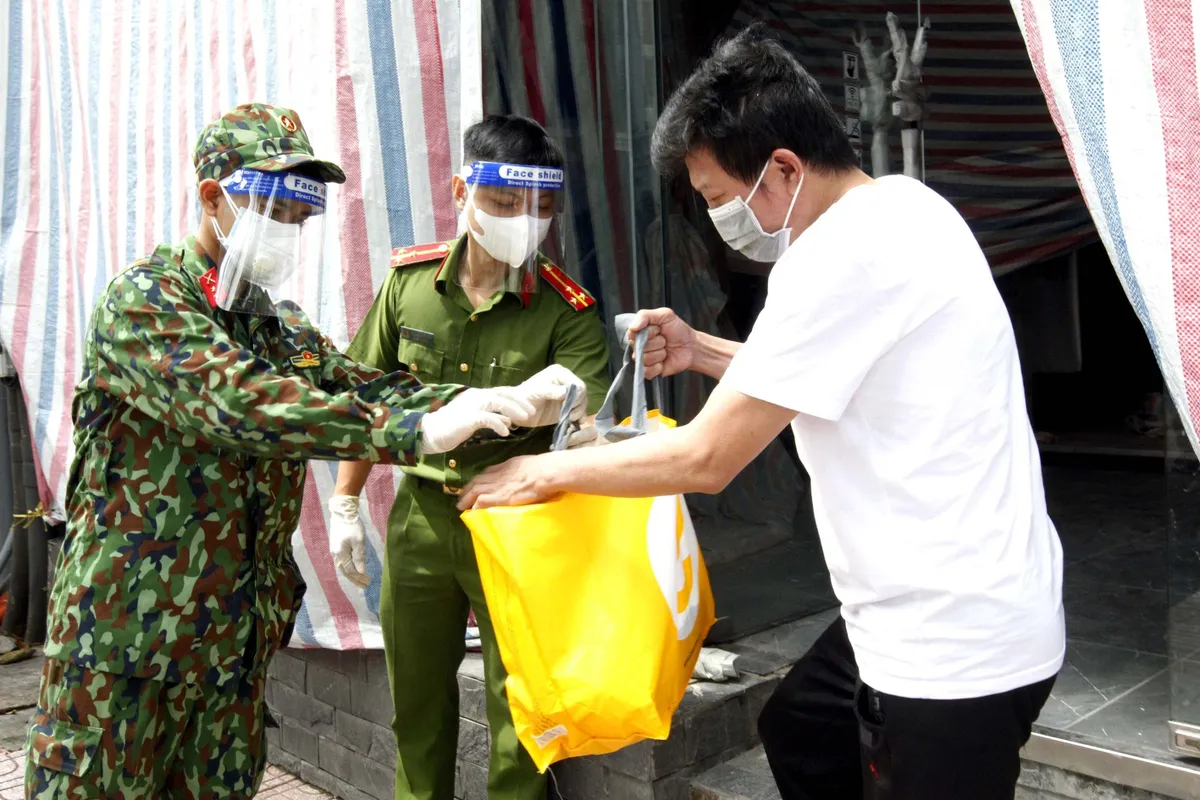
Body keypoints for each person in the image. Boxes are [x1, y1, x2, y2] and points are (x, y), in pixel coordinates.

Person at [458, 26, 1064, 800]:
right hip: (958, 596)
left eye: (717, 198)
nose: (720, 220)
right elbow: (832, 373)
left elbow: (706, 459)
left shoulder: (833, 260)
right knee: (802, 725)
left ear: (782, 166)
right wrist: (701, 350)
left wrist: (544, 469)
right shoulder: (905, 205)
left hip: (950, 647)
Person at [23, 103, 586, 799]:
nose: (289, 233)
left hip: (228, 650)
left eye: (299, 218)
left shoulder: (277, 326)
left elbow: (362, 382)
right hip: (127, 648)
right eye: (275, 211)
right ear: (213, 198)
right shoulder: (146, 301)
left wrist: (478, 404)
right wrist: (412, 433)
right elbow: (244, 404)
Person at [329, 115, 610, 800]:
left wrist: (550, 400)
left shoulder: (566, 307)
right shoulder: (410, 285)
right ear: (463, 190)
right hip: (421, 521)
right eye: (507, 203)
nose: (526, 220)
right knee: (417, 702)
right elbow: (363, 401)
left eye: (542, 205)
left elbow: (585, 405)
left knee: (520, 710)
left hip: (519, 524)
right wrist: (343, 501)